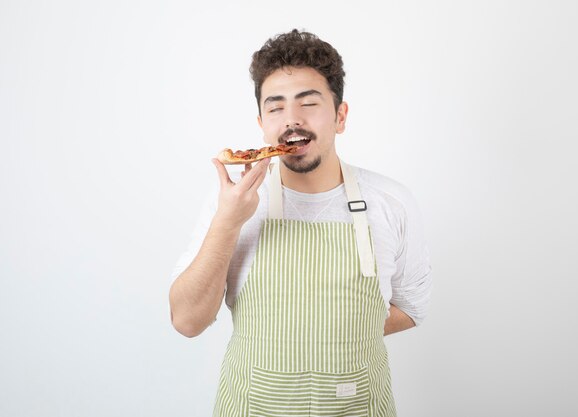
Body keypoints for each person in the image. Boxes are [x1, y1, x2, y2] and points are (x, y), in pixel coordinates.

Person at [169, 29, 432, 417]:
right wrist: (228, 222)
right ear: (261, 122)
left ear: (340, 116)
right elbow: (187, 321)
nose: (292, 120)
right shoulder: (232, 202)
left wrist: (335, 341)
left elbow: (412, 307)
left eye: (308, 103)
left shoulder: (391, 202)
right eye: (275, 108)